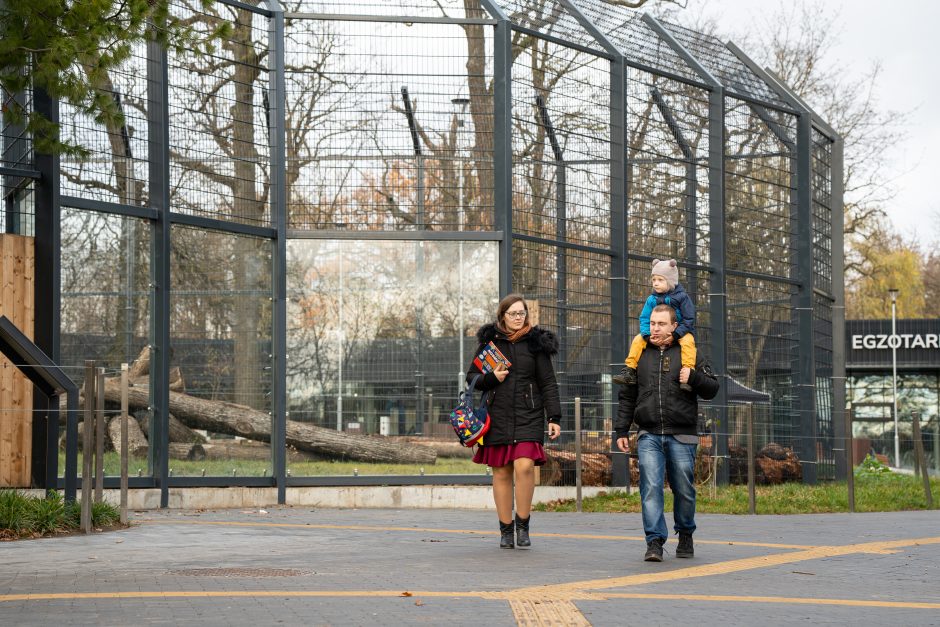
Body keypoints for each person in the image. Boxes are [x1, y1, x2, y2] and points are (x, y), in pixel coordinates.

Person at [614, 304, 719, 562]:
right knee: (650, 487)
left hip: (682, 434)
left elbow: (712, 388)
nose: (655, 328)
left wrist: (693, 377)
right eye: (652, 323)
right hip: (648, 433)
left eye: (661, 324)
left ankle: (685, 533)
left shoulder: (689, 352)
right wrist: (621, 429)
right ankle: (654, 542)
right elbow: (627, 395)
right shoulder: (640, 353)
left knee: (683, 488)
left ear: (674, 326)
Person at [468, 293, 562, 549]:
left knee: (524, 467)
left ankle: (523, 524)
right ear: (502, 316)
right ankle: (505, 530)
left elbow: (548, 382)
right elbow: (472, 378)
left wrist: (554, 416)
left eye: (522, 314)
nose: (518, 318)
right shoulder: (490, 342)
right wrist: (492, 378)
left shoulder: (536, 344)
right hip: (496, 415)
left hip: (528, 414)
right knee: (501, 472)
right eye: (513, 314)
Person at [612, 259, 697, 392]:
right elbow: (645, 318)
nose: (656, 283)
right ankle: (629, 370)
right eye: (654, 280)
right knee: (637, 340)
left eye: (660, 280)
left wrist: (676, 334)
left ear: (670, 281)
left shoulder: (682, 297)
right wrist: (646, 335)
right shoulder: (651, 299)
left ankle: (687, 373)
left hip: (680, 331)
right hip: (655, 334)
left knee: (688, 342)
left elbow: (689, 319)